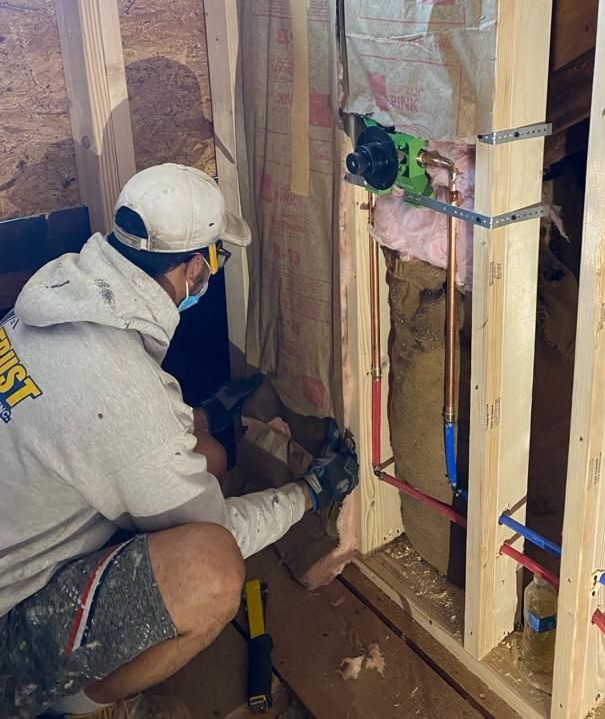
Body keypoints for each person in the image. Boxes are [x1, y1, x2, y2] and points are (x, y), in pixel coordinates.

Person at [0, 164, 359, 719]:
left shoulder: (62, 290)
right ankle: (78, 706)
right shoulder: (121, 388)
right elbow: (217, 530)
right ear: (195, 266)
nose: (212, 275)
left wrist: (197, 419)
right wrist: (309, 493)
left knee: (205, 456)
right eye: (217, 261)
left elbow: (109, 428)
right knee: (210, 570)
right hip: (8, 635)